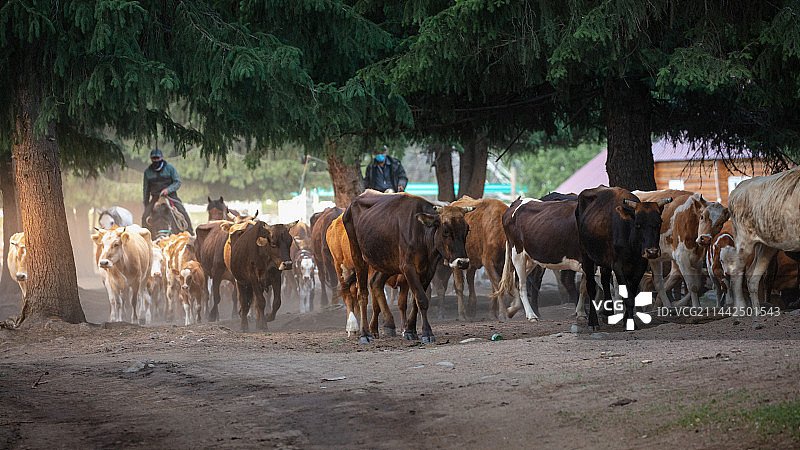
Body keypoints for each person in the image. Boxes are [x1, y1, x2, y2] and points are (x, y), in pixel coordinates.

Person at [142, 148, 194, 235]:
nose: (155, 160)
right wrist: (146, 205)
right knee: (144, 217)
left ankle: (190, 233)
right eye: (154, 158)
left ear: (161, 157)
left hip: (170, 197)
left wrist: (168, 190)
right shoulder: (147, 172)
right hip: (155, 198)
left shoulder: (170, 168)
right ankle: (145, 237)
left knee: (182, 211)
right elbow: (146, 190)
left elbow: (177, 182)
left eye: (157, 158)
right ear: (151, 159)